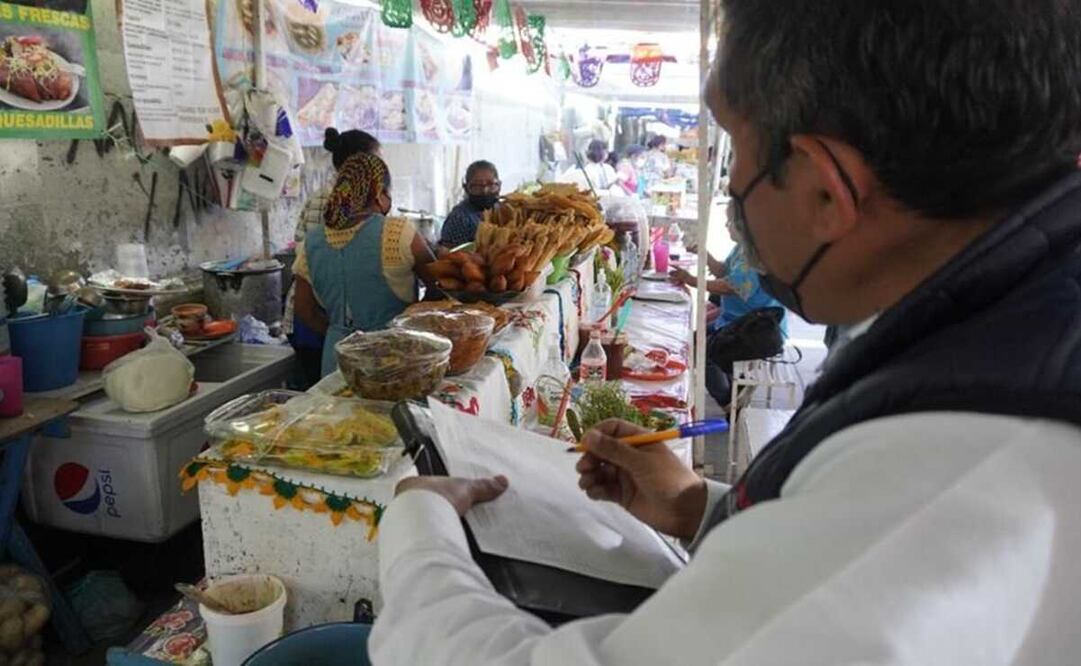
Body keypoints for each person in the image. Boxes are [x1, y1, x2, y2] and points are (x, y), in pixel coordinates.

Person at [371, 1, 1081, 663]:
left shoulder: (964, 458)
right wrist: (702, 509)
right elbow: (824, 568)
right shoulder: (1000, 320)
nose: (732, 181)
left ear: (826, 190)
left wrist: (420, 536)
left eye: (736, 147)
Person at [293, 153, 435, 377]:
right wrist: (410, 325)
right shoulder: (397, 232)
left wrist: (340, 332)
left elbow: (304, 310)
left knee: (341, 409)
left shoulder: (311, 242)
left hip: (338, 361)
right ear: (379, 193)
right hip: (395, 355)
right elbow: (438, 286)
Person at [284, 127, 380, 388]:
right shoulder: (333, 200)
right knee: (329, 400)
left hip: (326, 317)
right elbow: (317, 263)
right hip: (316, 317)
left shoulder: (333, 197)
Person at [670, 239, 787, 404]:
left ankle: (729, 402)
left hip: (755, 329)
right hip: (734, 321)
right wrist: (706, 255)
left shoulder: (758, 254)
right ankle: (733, 385)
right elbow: (724, 271)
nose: (727, 225)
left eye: (731, 221)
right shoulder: (742, 247)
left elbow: (729, 286)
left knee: (703, 352)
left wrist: (691, 279)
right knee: (694, 340)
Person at [440, 160, 501, 248]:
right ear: (466, 188)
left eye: (491, 184)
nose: (485, 191)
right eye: (477, 185)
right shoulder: (459, 217)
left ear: (499, 186)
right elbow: (449, 255)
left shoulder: (504, 210)